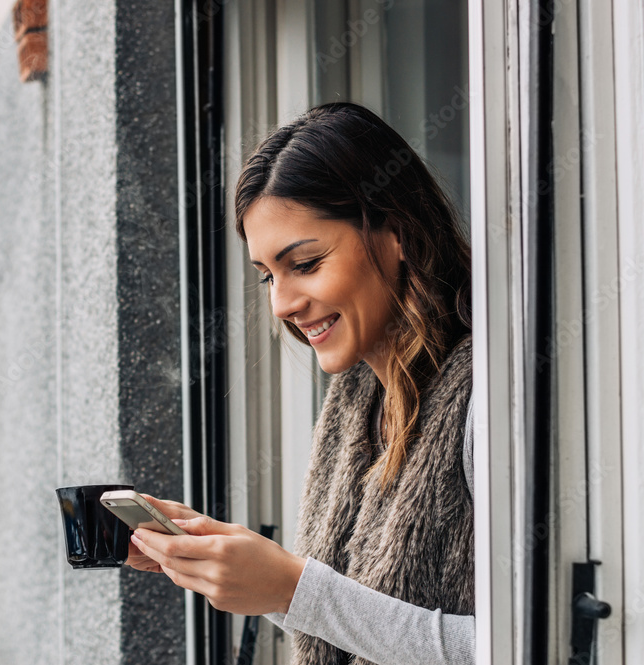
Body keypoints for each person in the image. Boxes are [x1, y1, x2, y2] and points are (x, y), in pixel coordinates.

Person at [128, 102, 475, 665]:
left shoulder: (484, 403)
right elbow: (353, 617)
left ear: (397, 233)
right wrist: (244, 572)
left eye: (306, 263)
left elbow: (520, 642)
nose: (283, 303)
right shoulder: (359, 401)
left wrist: (292, 589)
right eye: (268, 275)